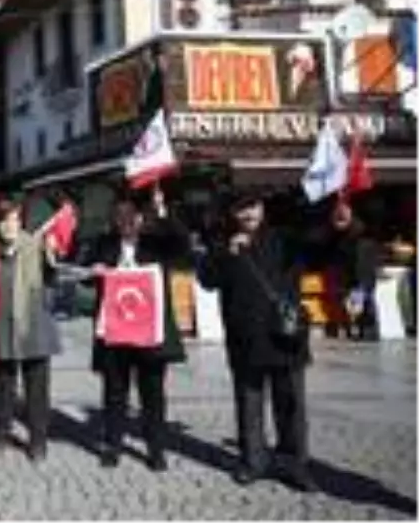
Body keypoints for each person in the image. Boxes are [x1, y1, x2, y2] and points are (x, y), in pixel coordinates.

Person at [197, 192, 316, 492]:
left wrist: (343, 222)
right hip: (245, 339)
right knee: (249, 404)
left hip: (284, 337)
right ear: (233, 213)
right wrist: (227, 253)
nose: (247, 212)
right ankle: (254, 461)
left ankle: (294, 464)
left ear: (262, 208)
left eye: (251, 205)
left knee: (291, 404)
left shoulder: (285, 238)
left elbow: (322, 245)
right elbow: (207, 280)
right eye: (240, 207)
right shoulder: (222, 243)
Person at [86, 186, 186, 471]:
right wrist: (93, 270)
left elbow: (182, 245)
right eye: (120, 214)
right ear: (114, 217)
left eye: (132, 214)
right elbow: (84, 273)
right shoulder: (104, 243)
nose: (126, 219)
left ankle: (156, 449)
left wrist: (163, 210)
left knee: (152, 393)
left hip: (149, 335)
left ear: (142, 217)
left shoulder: (157, 242)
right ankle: (113, 446)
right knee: (114, 393)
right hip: (115, 334)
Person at [0, 198, 61, 463]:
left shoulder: (35, 246)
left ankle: (38, 440)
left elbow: (52, 280)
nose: (10, 225)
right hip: (2, 324)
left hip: (34, 324)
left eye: (15, 220)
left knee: (37, 387)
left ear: (22, 223)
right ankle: (0, 432)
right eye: (4, 220)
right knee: (3, 384)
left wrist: (51, 256)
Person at [322, 198, 379, 341]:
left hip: (361, 274)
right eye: (337, 213)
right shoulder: (336, 231)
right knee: (350, 303)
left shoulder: (360, 231)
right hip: (346, 274)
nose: (340, 216)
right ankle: (354, 329)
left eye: (344, 211)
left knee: (363, 301)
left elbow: (363, 258)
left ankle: (367, 330)